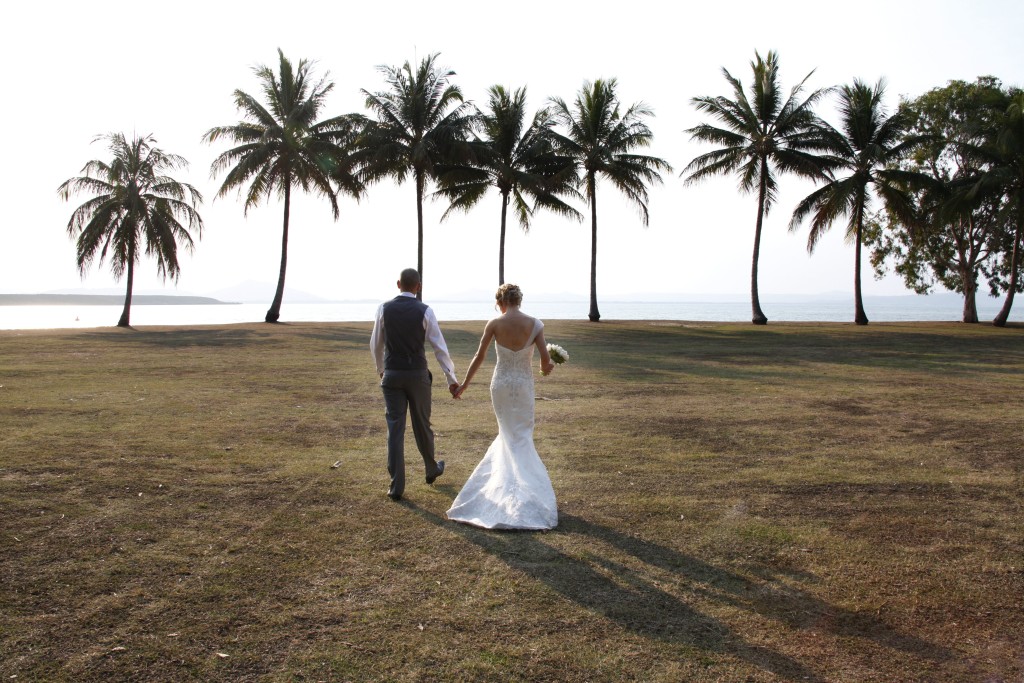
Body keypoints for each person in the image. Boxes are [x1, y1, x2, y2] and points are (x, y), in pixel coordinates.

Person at [446, 284, 558, 530]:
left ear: (501, 302)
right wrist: (548, 366)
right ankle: (525, 493)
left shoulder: (494, 324)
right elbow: (544, 363)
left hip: (501, 386)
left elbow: (479, 356)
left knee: (507, 436)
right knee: (522, 436)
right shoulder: (535, 324)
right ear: (519, 300)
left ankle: (505, 492)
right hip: (523, 386)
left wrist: (464, 385)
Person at [370, 268, 459, 501]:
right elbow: (439, 348)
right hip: (418, 375)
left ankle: (396, 486)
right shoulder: (425, 311)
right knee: (422, 425)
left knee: (395, 429)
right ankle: (431, 468)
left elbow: (376, 344)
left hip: (392, 374)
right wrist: (451, 379)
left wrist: (381, 370)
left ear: (398, 284)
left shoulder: (383, 309)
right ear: (418, 287)